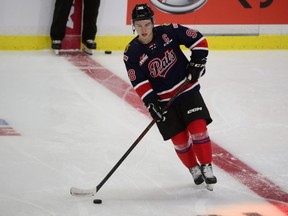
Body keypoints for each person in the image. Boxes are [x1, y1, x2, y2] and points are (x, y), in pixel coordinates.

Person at [123, 4, 217, 190]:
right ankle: (193, 168)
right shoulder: (131, 53)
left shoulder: (169, 32)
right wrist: (151, 103)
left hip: (187, 90)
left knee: (198, 129)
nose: (143, 29)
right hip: (164, 101)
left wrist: (197, 63)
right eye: (139, 25)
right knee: (180, 140)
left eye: (147, 25)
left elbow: (199, 40)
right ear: (133, 25)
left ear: (153, 23)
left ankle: (206, 165)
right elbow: (140, 82)